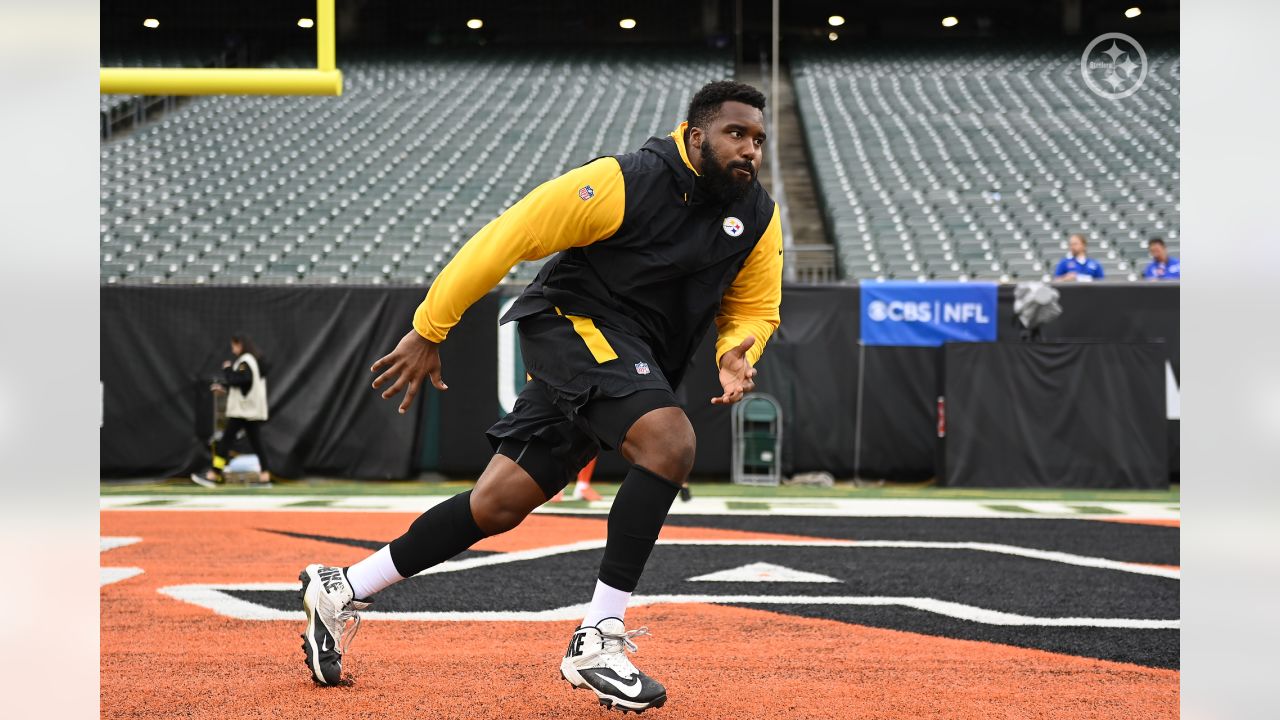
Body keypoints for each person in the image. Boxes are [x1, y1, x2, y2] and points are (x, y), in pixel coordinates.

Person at [298, 81, 782, 714]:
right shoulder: (621, 180)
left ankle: (342, 587)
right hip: (574, 323)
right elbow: (507, 238)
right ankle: (597, 639)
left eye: (758, 140)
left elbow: (755, 307)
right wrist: (429, 328)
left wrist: (735, 351)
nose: (749, 150)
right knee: (670, 443)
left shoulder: (758, 214)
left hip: (632, 354)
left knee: (498, 503)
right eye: (736, 134)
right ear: (695, 136)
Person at [191, 334, 271, 487]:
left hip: (243, 411)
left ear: (240, 345)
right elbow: (244, 384)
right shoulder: (250, 361)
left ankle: (214, 474)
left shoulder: (245, 361)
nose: (232, 349)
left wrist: (227, 370)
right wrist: (225, 388)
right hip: (249, 410)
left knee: (226, 440)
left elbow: (242, 380)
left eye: (234, 345)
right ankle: (265, 477)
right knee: (256, 443)